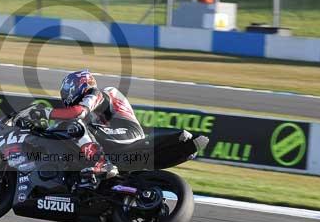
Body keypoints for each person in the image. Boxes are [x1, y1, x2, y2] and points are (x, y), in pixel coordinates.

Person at [22, 69, 207, 188]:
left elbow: (77, 113)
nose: (65, 97)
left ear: (76, 87)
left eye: (66, 93)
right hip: (117, 138)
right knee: (72, 130)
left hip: (127, 133)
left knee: (75, 125)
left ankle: (101, 164)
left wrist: (45, 113)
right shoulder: (95, 103)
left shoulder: (96, 94)